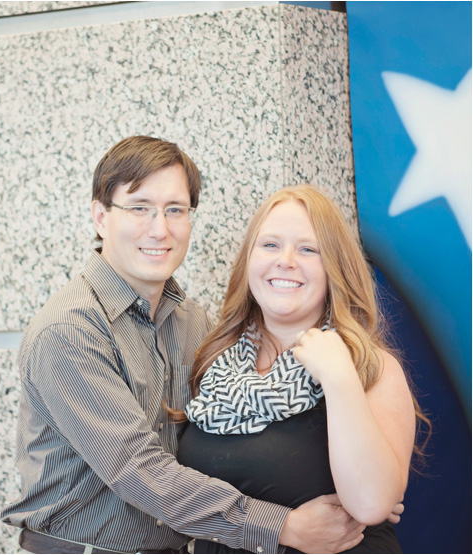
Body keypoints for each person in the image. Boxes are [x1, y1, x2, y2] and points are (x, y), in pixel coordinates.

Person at [1, 136, 396, 554]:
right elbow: (137, 470)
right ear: (101, 217)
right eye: (139, 208)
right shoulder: (69, 331)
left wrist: (367, 489)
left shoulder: (195, 325)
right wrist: (283, 526)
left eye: (176, 210)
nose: (160, 228)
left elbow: (231, 436)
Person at [176, 185, 423, 553]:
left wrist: (338, 377)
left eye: (308, 249)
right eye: (270, 245)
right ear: (249, 261)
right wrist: (279, 526)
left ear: (333, 268)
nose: (286, 260)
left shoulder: (368, 367)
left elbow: (372, 503)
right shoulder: (212, 364)